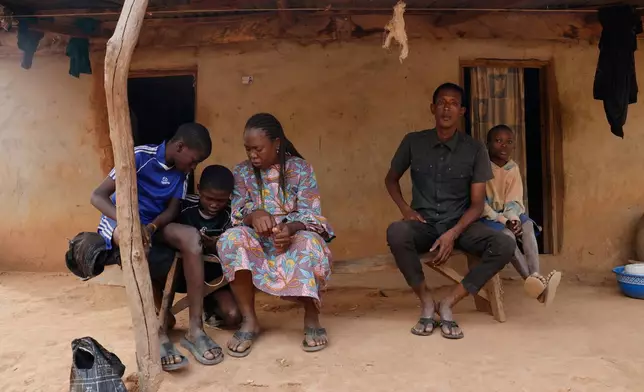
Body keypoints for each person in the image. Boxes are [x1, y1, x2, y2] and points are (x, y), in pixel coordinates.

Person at [385, 83, 515, 340]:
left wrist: (454, 232)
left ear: (462, 111)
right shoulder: (413, 142)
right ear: (433, 108)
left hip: (461, 224)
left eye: (453, 103)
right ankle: (426, 301)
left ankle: (449, 302)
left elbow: (478, 204)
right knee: (397, 232)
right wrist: (406, 209)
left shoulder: (475, 148)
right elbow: (391, 179)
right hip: (425, 224)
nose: (447, 108)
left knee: (504, 244)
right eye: (442, 103)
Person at [91, 123, 223, 370]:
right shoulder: (140, 156)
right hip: (119, 221)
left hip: (152, 225)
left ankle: (195, 329)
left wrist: (150, 228)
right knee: (137, 247)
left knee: (191, 238)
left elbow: (173, 210)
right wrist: (131, 225)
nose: (193, 167)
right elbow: (97, 197)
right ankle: (157, 333)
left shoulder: (182, 173)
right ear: (180, 146)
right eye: (193, 161)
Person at [216, 113, 334, 357]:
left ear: (277, 144)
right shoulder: (241, 172)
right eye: (248, 149)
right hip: (258, 244)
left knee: (310, 243)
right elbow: (236, 213)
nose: (252, 155)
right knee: (231, 239)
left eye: (258, 149)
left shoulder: (301, 169)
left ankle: (311, 316)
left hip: (292, 241)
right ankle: (250, 320)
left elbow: (312, 214)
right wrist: (254, 214)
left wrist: (290, 229)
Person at [482, 124, 561, 306]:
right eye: (498, 141)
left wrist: (514, 219)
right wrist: (503, 220)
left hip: (509, 214)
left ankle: (535, 275)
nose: (504, 146)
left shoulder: (513, 168)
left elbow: (515, 199)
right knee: (508, 237)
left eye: (509, 142)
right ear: (487, 144)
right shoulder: (482, 167)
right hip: (488, 218)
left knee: (526, 226)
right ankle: (534, 284)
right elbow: (480, 205)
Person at [176, 164, 241, 328]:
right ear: (198, 189)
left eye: (221, 200)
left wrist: (216, 245)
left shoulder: (232, 213)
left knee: (233, 317)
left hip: (217, 279)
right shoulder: (183, 207)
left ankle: (209, 304)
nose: (214, 204)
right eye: (208, 198)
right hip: (185, 276)